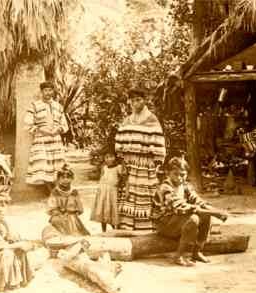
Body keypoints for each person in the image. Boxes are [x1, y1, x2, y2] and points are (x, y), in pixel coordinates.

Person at [152, 157, 228, 267]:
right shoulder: (165, 187)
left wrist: (213, 210)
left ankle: (197, 252)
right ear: (168, 173)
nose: (179, 178)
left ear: (186, 174)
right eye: (175, 174)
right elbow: (181, 207)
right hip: (163, 224)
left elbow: (198, 201)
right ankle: (179, 255)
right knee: (194, 218)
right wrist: (215, 213)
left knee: (206, 216)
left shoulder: (186, 186)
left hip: (177, 221)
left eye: (182, 174)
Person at [115, 87, 166, 231]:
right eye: (133, 100)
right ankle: (127, 226)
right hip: (130, 162)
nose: (136, 103)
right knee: (128, 192)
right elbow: (120, 142)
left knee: (145, 192)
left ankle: (146, 227)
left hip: (146, 162)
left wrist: (156, 162)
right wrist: (123, 161)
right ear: (129, 102)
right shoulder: (127, 121)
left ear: (144, 101)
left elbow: (158, 141)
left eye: (139, 100)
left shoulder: (151, 119)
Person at [24, 81, 69, 192]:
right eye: (45, 90)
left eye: (50, 90)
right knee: (42, 166)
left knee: (57, 167)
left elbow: (65, 125)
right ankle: (51, 192)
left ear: (53, 91)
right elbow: (27, 123)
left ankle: (56, 191)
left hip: (55, 140)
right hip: (41, 140)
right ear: (41, 91)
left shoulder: (58, 106)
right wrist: (40, 130)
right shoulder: (35, 105)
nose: (48, 93)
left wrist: (58, 129)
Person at [47, 164, 90, 236]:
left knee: (73, 225)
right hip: (59, 214)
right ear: (58, 179)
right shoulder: (55, 191)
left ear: (72, 179)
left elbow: (78, 205)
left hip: (70, 214)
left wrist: (74, 211)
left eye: (68, 177)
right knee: (56, 221)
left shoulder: (73, 191)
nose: (65, 180)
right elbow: (52, 204)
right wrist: (56, 211)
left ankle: (72, 235)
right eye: (62, 178)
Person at [90, 150, 126, 232]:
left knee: (111, 210)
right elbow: (101, 178)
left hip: (112, 191)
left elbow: (123, 177)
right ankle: (104, 230)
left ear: (114, 158)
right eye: (106, 157)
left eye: (111, 157)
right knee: (103, 210)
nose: (109, 159)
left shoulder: (118, 167)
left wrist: (121, 186)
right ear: (104, 159)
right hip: (103, 191)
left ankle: (114, 229)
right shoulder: (104, 168)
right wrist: (99, 189)